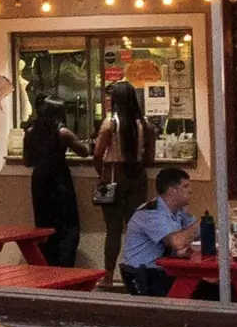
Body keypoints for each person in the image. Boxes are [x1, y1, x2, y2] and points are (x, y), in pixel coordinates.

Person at [93, 81, 154, 282]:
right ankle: (134, 275)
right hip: (137, 177)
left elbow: (97, 154)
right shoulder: (145, 124)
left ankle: (108, 276)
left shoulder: (110, 124)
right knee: (135, 228)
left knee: (113, 230)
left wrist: (103, 174)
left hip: (113, 176)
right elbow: (149, 160)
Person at [24, 98, 90, 267]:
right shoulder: (63, 133)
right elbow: (84, 152)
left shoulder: (31, 131)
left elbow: (27, 161)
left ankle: (48, 265)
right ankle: (64, 266)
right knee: (68, 226)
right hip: (59, 179)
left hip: (39, 180)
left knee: (44, 226)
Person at [118, 167, 200, 297]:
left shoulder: (177, 211)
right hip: (144, 276)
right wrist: (201, 223)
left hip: (161, 272)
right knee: (203, 292)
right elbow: (177, 242)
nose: (191, 190)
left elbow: (198, 232)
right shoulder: (151, 213)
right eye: (185, 186)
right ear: (173, 190)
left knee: (211, 288)